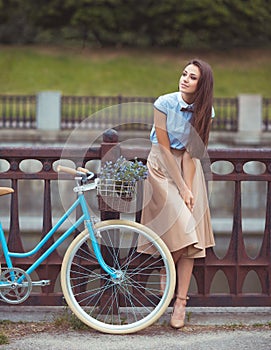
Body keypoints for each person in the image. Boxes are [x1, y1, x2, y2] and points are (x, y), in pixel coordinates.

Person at [140, 58, 215, 329]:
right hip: (161, 165)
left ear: (201, 84)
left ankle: (180, 302)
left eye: (192, 77)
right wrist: (181, 188)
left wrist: (189, 187)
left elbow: (191, 153)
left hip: (188, 165)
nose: (184, 79)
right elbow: (163, 148)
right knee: (183, 227)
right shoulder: (164, 103)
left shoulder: (206, 111)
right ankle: (166, 272)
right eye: (184, 74)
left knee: (191, 234)